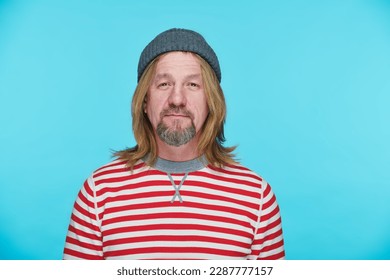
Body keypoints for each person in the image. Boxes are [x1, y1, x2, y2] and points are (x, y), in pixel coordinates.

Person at [63, 28, 285, 260]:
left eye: (193, 85)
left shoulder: (257, 197)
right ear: (145, 101)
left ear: (212, 101)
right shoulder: (98, 193)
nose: (177, 99)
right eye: (164, 84)